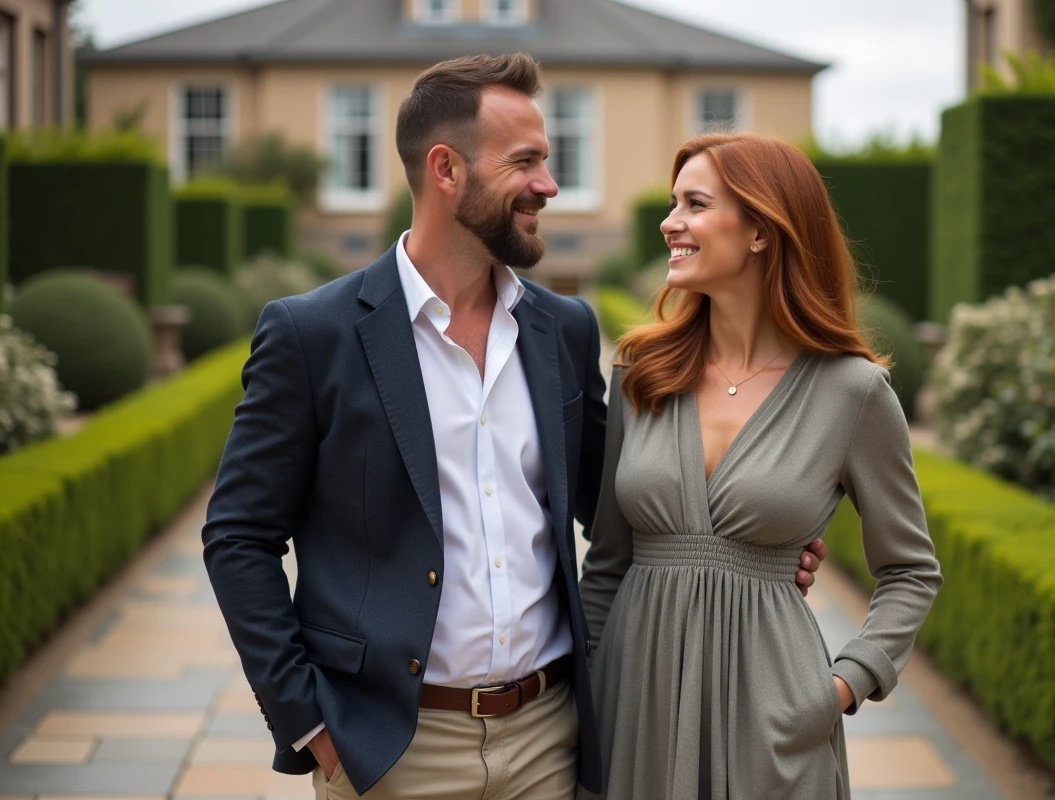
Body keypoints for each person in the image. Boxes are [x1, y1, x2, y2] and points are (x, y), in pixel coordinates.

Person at [202, 53, 829, 799]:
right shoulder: (315, 334)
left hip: (550, 736)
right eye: (525, 161)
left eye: (549, 160)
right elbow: (238, 536)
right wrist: (310, 723)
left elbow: (622, 500)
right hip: (392, 749)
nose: (549, 185)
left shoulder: (561, 329)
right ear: (446, 170)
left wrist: (748, 536)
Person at [578, 134, 943, 800]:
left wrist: (840, 687)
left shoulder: (852, 392)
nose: (669, 221)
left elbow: (911, 570)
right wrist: (587, 705)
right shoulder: (641, 372)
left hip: (774, 722)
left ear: (760, 229)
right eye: (671, 202)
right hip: (636, 709)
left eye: (694, 202)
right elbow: (606, 563)